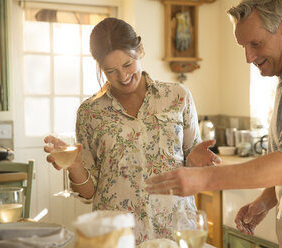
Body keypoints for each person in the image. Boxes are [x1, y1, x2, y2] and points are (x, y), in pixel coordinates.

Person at [145, 0, 282, 247]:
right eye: (243, 46)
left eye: (255, 44)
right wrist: (267, 198)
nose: (248, 57)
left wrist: (205, 179)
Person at [44, 17, 220, 245]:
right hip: (118, 238)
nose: (123, 76)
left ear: (140, 51)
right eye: (111, 70)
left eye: (128, 65)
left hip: (175, 233)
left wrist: (197, 164)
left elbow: (193, 165)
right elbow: (89, 192)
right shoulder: (90, 113)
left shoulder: (178, 97)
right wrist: (75, 166)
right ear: (100, 67)